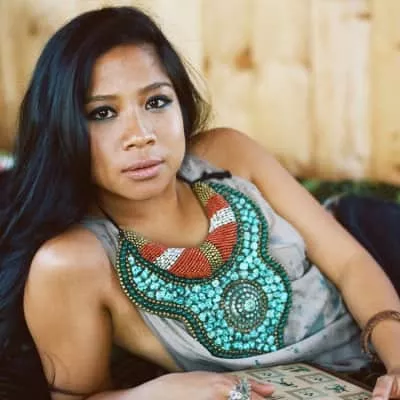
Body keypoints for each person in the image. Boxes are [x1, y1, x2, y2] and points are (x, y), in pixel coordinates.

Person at [0, 6, 399, 400]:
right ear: (62, 127)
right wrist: (155, 395)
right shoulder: (71, 263)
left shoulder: (228, 156)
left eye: (156, 102)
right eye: (102, 112)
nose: (141, 134)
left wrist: (397, 363)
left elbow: (349, 263)